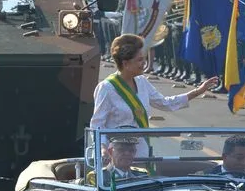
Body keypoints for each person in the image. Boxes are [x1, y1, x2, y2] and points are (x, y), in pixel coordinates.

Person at [90, 34, 218, 157]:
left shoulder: (142, 82)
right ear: (125, 64)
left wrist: (198, 91)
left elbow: (165, 103)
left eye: (144, 58)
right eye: (139, 60)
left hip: (142, 152)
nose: (144, 63)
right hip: (118, 156)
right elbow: (97, 124)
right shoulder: (107, 88)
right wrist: (102, 148)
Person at [85, 132, 150, 186]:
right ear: (110, 152)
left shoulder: (142, 175)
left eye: (131, 150)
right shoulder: (98, 177)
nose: (127, 154)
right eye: (121, 150)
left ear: (135, 152)